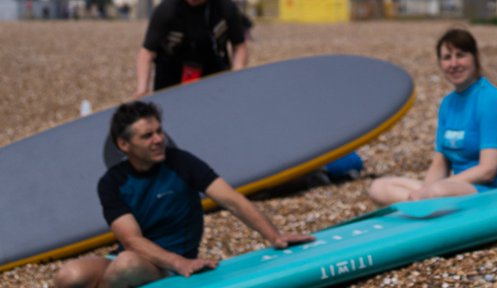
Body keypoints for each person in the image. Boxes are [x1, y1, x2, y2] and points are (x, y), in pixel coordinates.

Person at [53, 101, 311, 288]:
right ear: (124, 145)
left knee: (126, 266)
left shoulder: (182, 163)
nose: (158, 139)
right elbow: (131, 240)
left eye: (159, 131)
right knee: (69, 275)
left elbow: (231, 199)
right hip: (143, 258)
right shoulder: (112, 182)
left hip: (166, 265)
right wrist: (177, 263)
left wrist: (274, 235)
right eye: (147, 136)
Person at [367, 28, 497, 204]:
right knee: (379, 187)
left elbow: (488, 170)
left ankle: (423, 205)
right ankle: (421, 205)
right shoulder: (447, 104)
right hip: (457, 188)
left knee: (438, 191)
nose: (454, 63)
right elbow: (440, 163)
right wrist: (425, 191)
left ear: (475, 57)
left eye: (461, 55)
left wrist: (432, 191)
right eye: (447, 58)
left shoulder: (490, 100)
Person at [135, 0, 251, 97]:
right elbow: (147, 52)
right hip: (171, 72)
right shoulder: (166, 9)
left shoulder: (224, 5)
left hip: (213, 70)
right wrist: (142, 89)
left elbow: (239, 45)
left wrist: (237, 75)